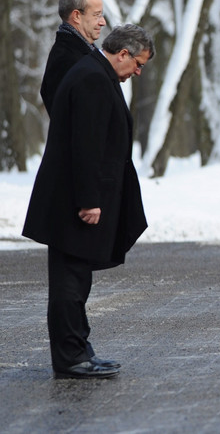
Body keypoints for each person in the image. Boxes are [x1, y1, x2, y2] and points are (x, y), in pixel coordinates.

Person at [22, 24, 154, 379]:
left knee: (75, 280)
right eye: (138, 64)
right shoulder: (94, 78)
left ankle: (79, 349)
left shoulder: (94, 72)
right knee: (70, 281)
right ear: (123, 53)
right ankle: (71, 357)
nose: (138, 72)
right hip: (75, 202)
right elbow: (86, 145)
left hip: (73, 198)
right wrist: (89, 200)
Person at [40, 0, 107, 114]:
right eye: (97, 15)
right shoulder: (66, 59)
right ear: (76, 16)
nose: (103, 22)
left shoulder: (80, 53)